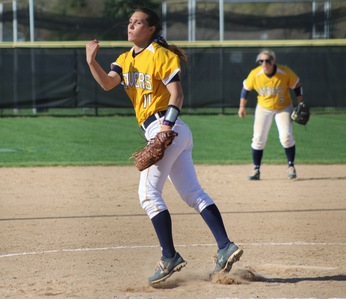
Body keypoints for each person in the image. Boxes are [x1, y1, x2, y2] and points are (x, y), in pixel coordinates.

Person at [86, 7, 243, 285]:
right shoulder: (125, 59)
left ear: (152, 29)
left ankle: (169, 256)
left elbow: (177, 95)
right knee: (192, 192)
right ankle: (225, 246)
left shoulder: (161, 55)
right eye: (130, 22)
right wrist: (91, 63)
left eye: (138, 22)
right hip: (170, 131)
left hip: (166, 127)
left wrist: (165, 129)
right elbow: (108, 84)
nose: (131, 26)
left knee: (148, 195)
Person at [238, 49, 303, 180]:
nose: (264, 63)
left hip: (282, 107)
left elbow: (297, 85)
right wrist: (242, 107)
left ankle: (291, 166)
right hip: (264, 108)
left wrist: (301, 103)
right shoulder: (255, 74)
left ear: (273, 61)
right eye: (261, 61)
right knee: (258, 139)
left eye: (267, 60)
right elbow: (246, 90)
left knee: (286, 137)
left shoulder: (284, 72)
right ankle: (256, 169)